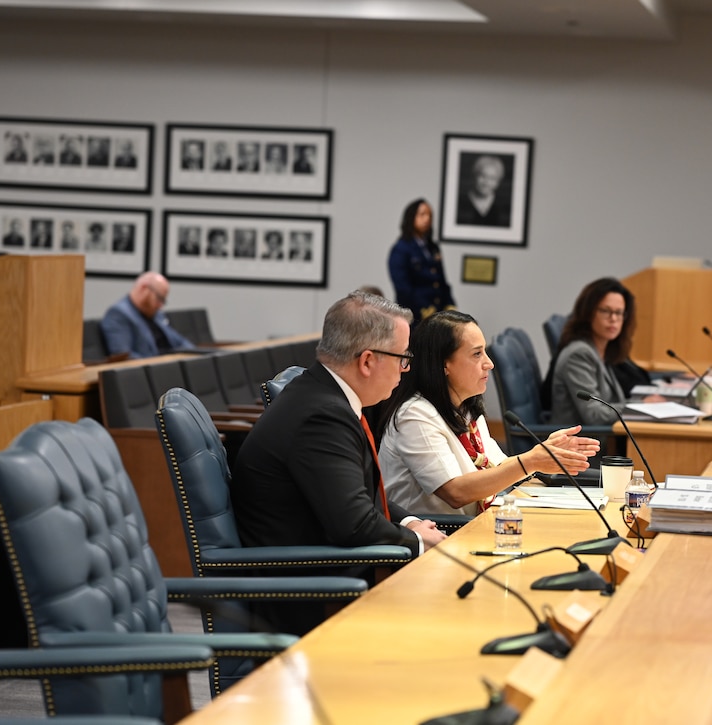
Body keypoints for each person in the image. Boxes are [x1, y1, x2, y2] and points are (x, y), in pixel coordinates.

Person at [231, 291, 446, 634]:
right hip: (312, 596)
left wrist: (412, 521)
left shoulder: (322, 397)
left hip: (332, 573)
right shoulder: (322, 416)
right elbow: (355, 525)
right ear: (367, 361)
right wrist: (416, 541)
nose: (405, 370)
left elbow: (358, 493)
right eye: (403, 358)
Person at [379, 310, 598, 516]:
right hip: (436, 539)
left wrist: (543, 453)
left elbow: (498, 469)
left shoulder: (466, 409)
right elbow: (455, 492)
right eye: (477, 354)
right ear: (444, 364)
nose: (489, 364)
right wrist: (531, 461)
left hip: (472, 528)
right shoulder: (415, 415)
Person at [548, 277, 662, 427]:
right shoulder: (579, 354)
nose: (613, 319)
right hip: (577, 444)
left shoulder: (603, 350)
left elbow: (612, 403)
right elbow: (594, 415)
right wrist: (639, 405)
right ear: (588, 313)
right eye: (606, 311)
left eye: (619, 313)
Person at [388, 198, 455, 324]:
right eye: (422, 214)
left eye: (430, 215)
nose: (427, 219)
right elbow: (403, 288)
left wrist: (449, 305)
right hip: (414, 316)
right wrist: (423, 308)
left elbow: (441, 281)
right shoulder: (401, 249)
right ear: (411, 217)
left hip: (437, 314)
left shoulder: (432, 247)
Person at [100, 272, 195, 359]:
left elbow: (179, 341)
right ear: (144, 289)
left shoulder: (154, 314)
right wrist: (161, 364)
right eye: (159, 298)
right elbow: (122, 356)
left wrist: (195, 356)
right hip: (150, 372)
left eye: (163, 301)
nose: (160, 306)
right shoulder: (118, 314)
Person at [456, 154, 511, 227]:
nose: (486, 182)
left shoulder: (505, 207)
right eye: (482, 176)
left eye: (492, 178)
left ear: (498, 182)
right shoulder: (458, 202)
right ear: (474, 176)